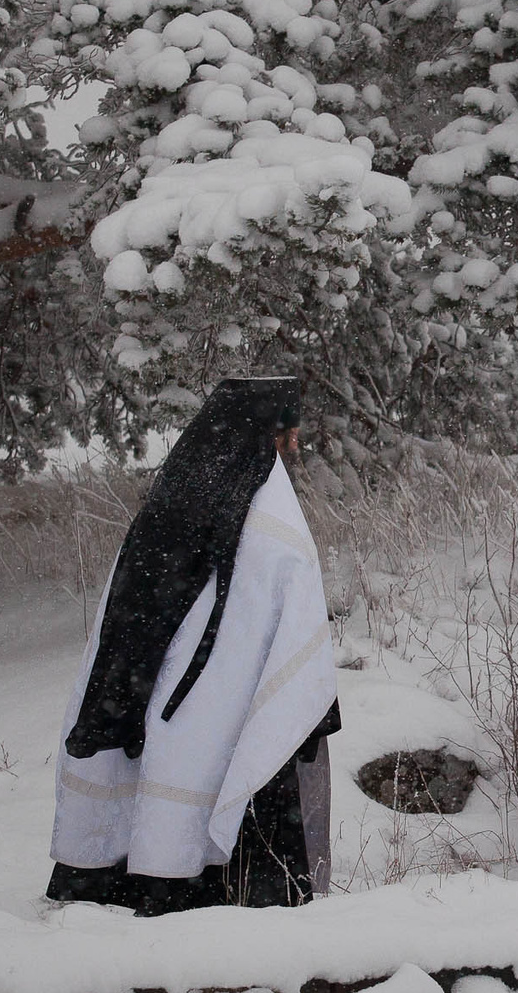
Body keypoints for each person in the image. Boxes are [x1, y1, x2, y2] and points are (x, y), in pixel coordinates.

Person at [47, 376, 341, 915]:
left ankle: (150, 875)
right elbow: (290, 625)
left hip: (154, 717)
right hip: (233, 716)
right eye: (286, 437)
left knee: (177, 780)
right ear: (265, 438)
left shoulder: (169, 505)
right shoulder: (272, 525)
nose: (294, 451)